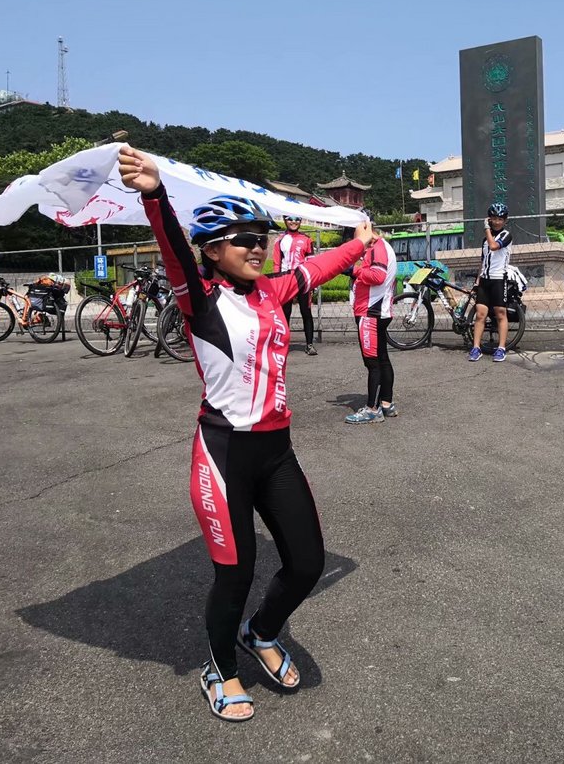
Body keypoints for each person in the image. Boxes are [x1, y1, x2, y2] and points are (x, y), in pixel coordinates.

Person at [117, 145, 373, 723]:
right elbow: (173, 251)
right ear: (212, 250)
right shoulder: (199, 300)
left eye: (262, 237)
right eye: (243, 238)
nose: (258, 247)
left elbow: (319, 267)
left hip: (277, 452)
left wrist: (360, 239)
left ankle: (261, 631)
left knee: (306, 564)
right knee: (235, 570)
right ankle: (219, 668)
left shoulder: (274, 291)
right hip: (224, 452)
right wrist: (155, 194)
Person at [345, 216, 398, 424]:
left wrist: (353, 271)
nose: (352, 236)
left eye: (354, 230)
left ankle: (372, 409)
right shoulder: (378, 246)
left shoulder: (377, 247)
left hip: (371, 313)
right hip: (375, 312)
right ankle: (386, 403)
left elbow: (377, 276)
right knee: (382, 359)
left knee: (373, 363)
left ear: (365, 226)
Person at [469, 202, 513, 363]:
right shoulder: (484, 240)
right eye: (493, 218)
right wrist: (478, 280)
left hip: (499, 279)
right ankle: (476, 347)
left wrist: (486, 228)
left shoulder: (506, 235)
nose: (497, 222)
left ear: (505, 220)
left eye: (500, 219)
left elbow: (494, 246)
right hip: (485, 280)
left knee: (500, 313)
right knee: (480, 314)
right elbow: (483, 260)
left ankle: (501, 348)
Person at [273, 214, 318, 355]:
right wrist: (276, 282)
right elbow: (277, 263)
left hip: (303, 279)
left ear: (301, 221)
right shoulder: (279, 240)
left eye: (297, 219)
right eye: (290, 219)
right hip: (286, 280)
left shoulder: (306, 239)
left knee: (306, 311)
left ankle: (309, 344)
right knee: (285, 313)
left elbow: (311, 262)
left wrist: (313, 282)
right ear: (286, 220)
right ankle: (283, 345)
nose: (293, 222)